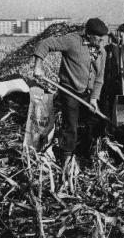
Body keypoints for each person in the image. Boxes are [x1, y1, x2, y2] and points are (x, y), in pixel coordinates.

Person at [33, 18, 109, 167]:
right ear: (89, 34)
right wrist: (38, 66)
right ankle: (66, 159)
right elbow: (45, 44)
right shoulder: (72, 41)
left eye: (103, 38)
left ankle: (86, 155)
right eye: (98, 37)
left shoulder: (102, 52)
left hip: (88, 93)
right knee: (71, 125)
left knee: (95, 122)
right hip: (69, 90)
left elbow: (100, 78)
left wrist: (94, 99)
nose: (101, 41)